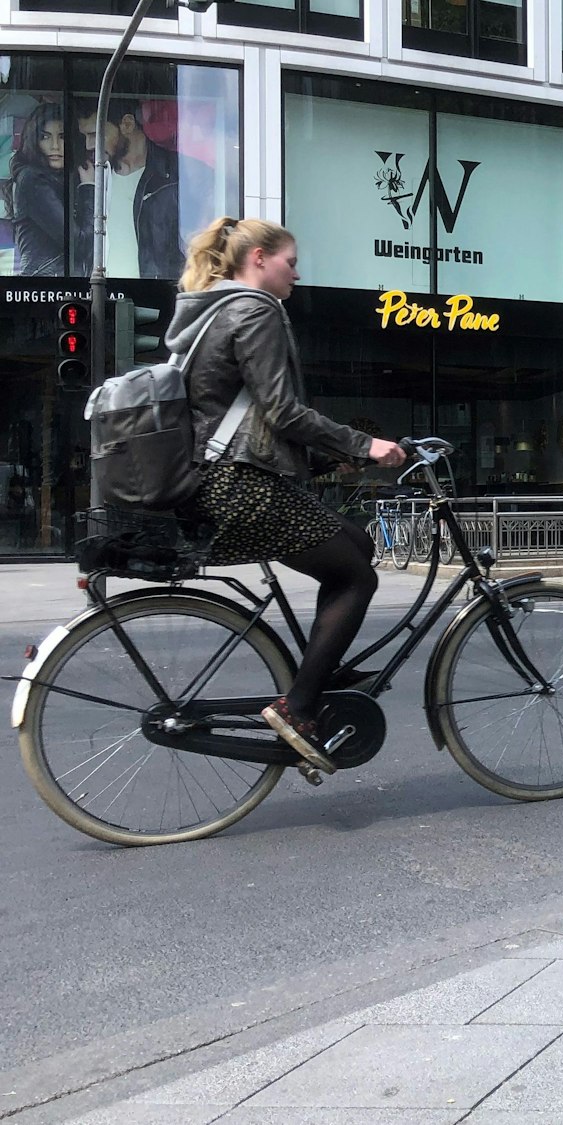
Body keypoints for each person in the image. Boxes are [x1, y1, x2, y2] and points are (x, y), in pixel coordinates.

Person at [168, 216, 406, 772]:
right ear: (257, 259)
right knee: (356, 576)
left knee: (356, 543)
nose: (297, 274)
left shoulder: (209, 312)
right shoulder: (254, 310)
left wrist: (338, 455)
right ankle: (298, 707)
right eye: (290, 262)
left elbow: (254, 417)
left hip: (215, 477)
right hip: (236, 484)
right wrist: (365, 443)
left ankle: (320, 671)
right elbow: (281, 411)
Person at [75, 98, 215, 280]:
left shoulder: (183, 173)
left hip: (156, 296)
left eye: (95, 134)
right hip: (100, 296)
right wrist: (88, 189)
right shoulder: (88, 175)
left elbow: (203, 245)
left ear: (127, 124)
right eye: (85, 136)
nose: (89, 145)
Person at [3, 102, 74, 277]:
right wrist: (89, 189)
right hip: (44, 284)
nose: (55, 146)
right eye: (45, 137)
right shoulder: (32, 180)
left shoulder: (63, 178)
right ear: (34, 141)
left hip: (61, 284)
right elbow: (77, 243)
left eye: (63, 136)